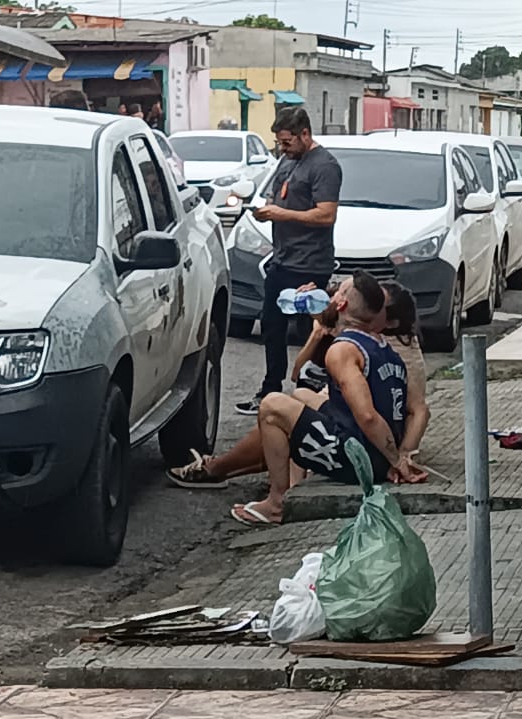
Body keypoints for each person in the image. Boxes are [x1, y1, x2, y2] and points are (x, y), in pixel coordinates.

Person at [169, 280, 429, 491]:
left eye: (379, 304)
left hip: (369, 447)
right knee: (300, 396)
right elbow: (304, 368)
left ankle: (274, 498)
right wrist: (318, 318)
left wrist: (401, 456)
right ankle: (233, 470)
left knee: (274, 407)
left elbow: (375, 415)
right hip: (369, 438)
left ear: (389, 321)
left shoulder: (378, 349)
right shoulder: (374, 340)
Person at [233, 272, 424, 526]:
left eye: (338, 292)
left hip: (359, 458)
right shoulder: (384, 348)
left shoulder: (343, 350)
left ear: (342, 304)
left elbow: (366, 415)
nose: (331, 294)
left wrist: (396, 461)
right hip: (376, 450)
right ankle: (295, 485)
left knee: (271, 405)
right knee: (301, 395)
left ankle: (276, 503)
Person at [235, 106, 343, 416]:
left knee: (310, 332)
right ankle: (270, 389)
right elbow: (275, 197)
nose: (282, 148)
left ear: (305, 134)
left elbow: (326, 214)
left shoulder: (325, 166)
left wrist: (282, 214)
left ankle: (314, 394)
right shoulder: (287, 161)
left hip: (310, 264)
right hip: (282, 260)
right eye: (279, 143)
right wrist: (265, 209)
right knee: (272, 325)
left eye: (287, 142)